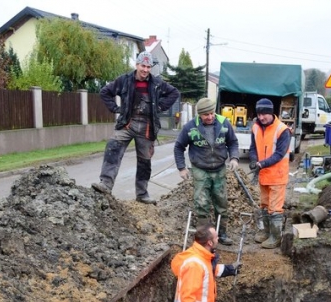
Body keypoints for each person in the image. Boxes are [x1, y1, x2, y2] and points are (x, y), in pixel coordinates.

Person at [92, 51, 180, 205]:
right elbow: (105, 92)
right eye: (143, 66)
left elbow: (174, 93)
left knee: (144, 162)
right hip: (127, 123)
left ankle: (142, 194)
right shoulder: (124, 80)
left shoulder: (157, 83)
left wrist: (160, 106)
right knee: (112, 149)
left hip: (147, 126)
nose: (145, 70)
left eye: (148, 66)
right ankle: (105, 185)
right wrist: (115, 108)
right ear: (137, 65)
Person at [173, 97, 240, 245]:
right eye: (206, 115)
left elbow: (233, 142)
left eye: (211, 113)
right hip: (200, 169)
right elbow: (179, 147)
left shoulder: (224, 123)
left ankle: (221, 234)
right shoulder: (190, 127)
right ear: (199, 115)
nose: (209, 117)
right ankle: (204, 237)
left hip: (219, 169)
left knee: (221, 202)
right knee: (201, 203)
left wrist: (234, 158)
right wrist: (181, 168)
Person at [248, 98, 292, 249]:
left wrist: (262, 163)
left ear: (271, 113)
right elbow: (253, 148)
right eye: (259, 114)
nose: (261, 117)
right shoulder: (255, 127)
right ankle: (266, 232)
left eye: (264, 114)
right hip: (264, 175)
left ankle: (276, 237)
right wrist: (254, 160)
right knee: (264, 205)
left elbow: (279, 154)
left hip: (277, 175)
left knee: (274, 207)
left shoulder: (282, 130)